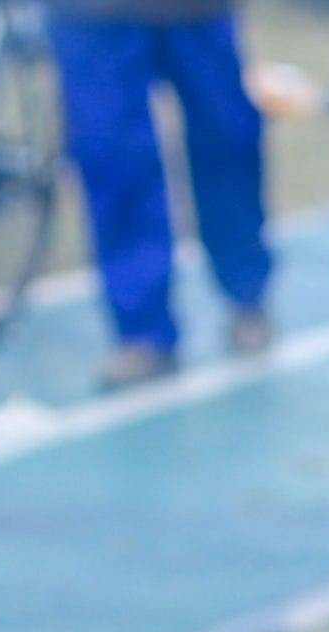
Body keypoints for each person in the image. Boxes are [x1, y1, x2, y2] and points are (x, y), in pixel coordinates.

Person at [51, 0, 277, 386]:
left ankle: (246, 292)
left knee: (227, 139)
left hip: (195, 10)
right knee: (111, 156)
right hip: (90, 14)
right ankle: (143, 331)